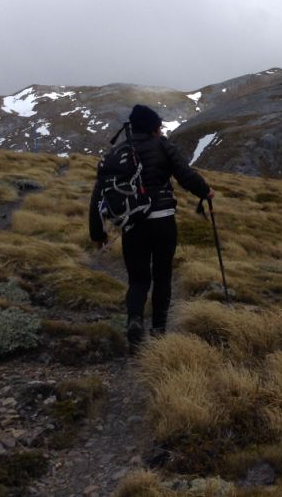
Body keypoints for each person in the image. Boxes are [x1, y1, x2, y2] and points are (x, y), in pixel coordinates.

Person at [89, 104, 213, 348]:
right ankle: (158, 330)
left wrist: (97, 232)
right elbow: (184, 174)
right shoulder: (163, 145)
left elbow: (98, 195)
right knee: (163, 276)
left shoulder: (119, 151)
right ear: (155, 127)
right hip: (163, 221)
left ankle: (135, 321)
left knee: (138, 279)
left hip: (133, 225)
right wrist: (205, 191)